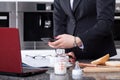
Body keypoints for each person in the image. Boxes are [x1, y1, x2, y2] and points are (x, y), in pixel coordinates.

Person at [48, 0, 117, 60]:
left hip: (98, 54)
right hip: (71, 55)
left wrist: (77, 40)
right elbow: (59, 23)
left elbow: (105, 23)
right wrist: (63, 52)